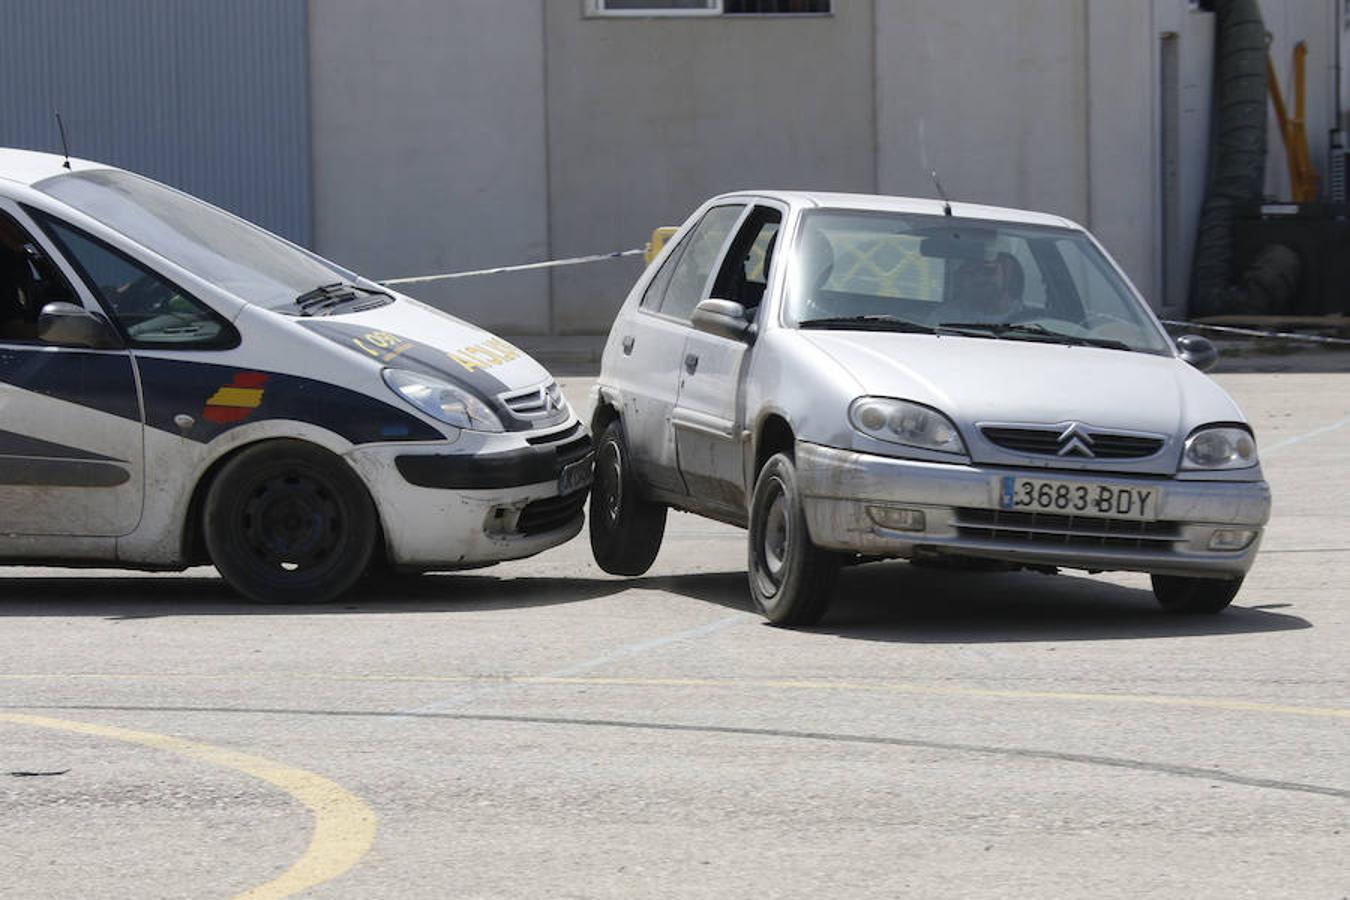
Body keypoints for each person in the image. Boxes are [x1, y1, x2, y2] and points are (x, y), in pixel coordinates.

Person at [946, 249, 1024, 322]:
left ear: (1009, 280)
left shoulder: (1030, 319)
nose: (979, 278)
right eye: (971, 273)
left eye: (988, 271)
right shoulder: (946, 317)